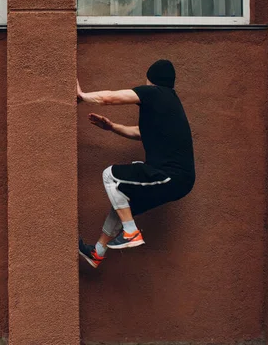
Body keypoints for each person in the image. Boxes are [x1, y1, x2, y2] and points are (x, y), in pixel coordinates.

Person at [77, 60, 195, 268]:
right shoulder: (169, 103)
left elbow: (109, 98)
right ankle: (98, 252)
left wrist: (83, 96)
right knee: (122, 203)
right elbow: (141, 133)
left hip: (170, 175)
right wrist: (112, 127)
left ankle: (130, 231)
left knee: (110, 175)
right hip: (178, 181)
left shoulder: (154, 93)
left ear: (151, 80)